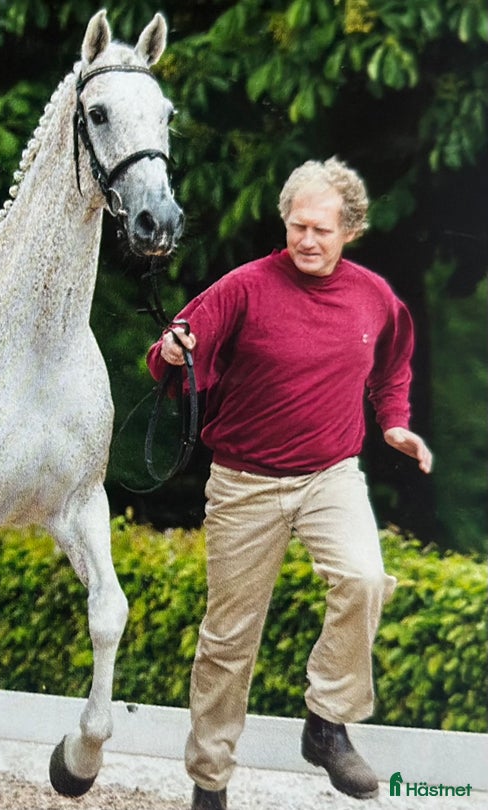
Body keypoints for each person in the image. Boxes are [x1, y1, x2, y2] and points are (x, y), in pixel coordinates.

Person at [145, 157, 433, 810]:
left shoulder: (373, 296)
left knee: (363, 578)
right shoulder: (242, 288)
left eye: (322, 230)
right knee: (228, 638)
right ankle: (210, 780)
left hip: (331, 475)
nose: (307, 239)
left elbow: (394, 363)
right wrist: (170, 351)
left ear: (349, 231)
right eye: (298, 226)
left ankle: (328, 725)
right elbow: (170, 356)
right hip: (245, 483)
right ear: (286, 223)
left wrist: (394, 423)